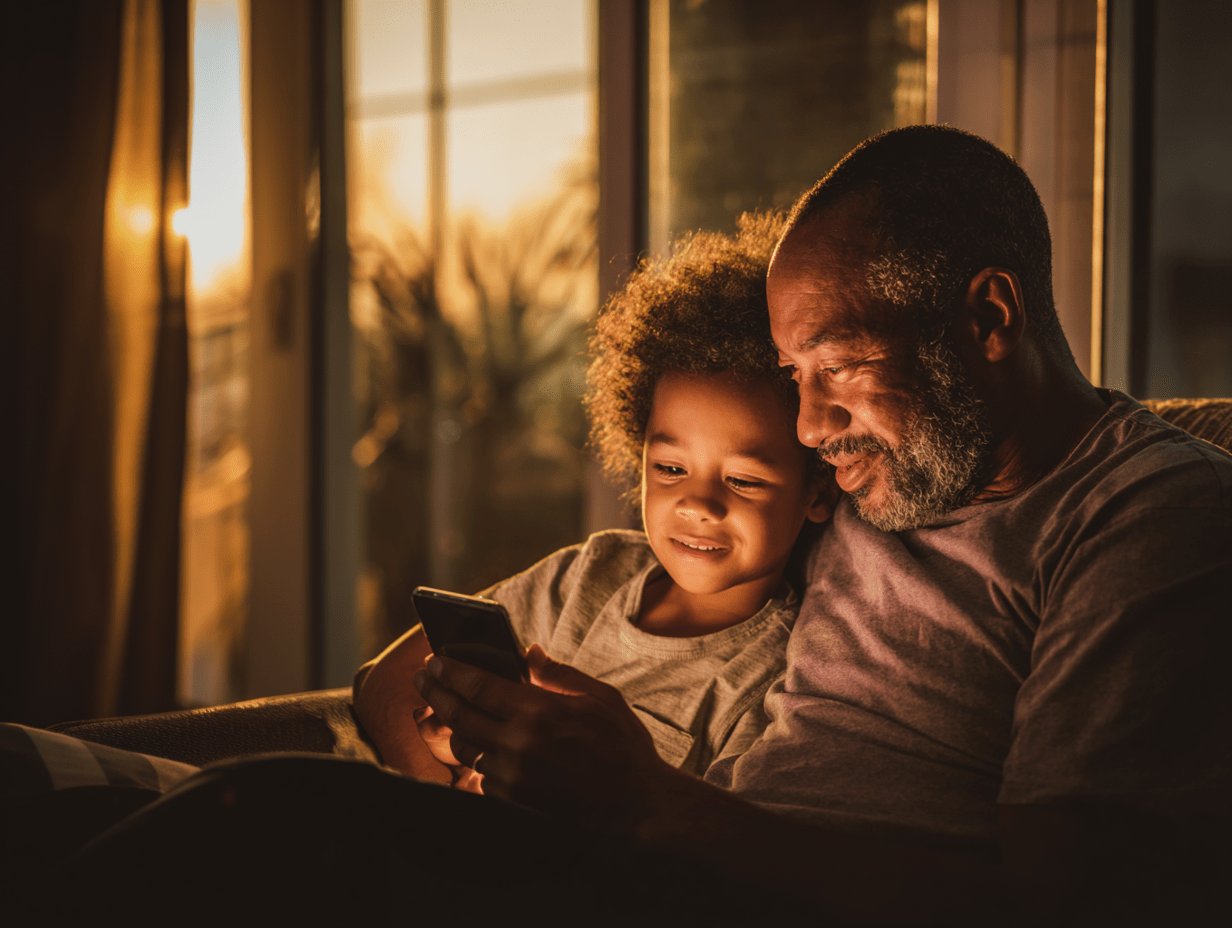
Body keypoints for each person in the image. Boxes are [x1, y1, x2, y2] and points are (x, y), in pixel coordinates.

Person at [413, 126, 1231, 924]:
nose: (806, 428)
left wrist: (645, 801)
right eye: (794, 374)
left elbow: (1058, 906)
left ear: (989, 317)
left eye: (837, 365)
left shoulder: (1150, 518)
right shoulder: (876, 478)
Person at [354, 213, 836, 786]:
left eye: (744, 479)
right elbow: (384, 682)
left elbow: (710, 849)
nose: (698, 504)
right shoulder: (585, 578)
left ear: (818, 488)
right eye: (671, 468)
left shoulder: (780, 677)